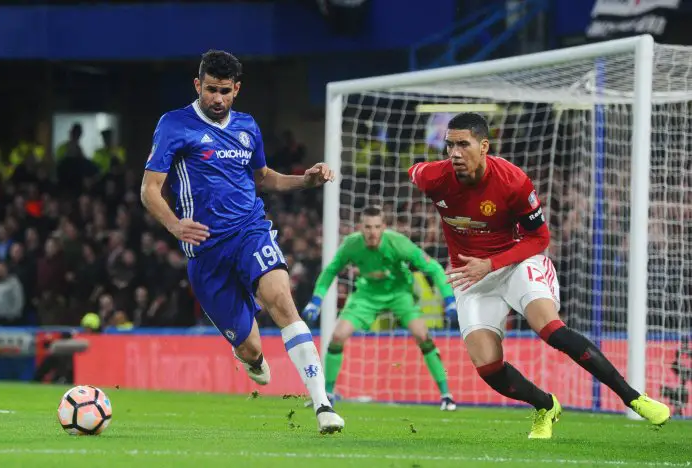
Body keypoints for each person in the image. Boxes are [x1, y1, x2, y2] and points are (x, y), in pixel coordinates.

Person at [408, 112, 670, 439]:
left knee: (551, 330)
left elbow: (540, 238)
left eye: (464, 144)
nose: (454, 153)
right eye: (449, 145)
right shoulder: (433, 177)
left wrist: (490, 264)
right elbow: (414, 171)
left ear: (484, 145)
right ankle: (545, 405)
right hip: (471, 278)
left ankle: (633, 397)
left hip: (517, 262)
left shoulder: (512, 181)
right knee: (488, 367)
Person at [140, 49, 344, 434]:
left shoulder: (248, 126)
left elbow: (263, 177)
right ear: (198, 85)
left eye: (225, 91)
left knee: (283, 303)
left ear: (237, 90)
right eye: (211, 90)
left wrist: (305, 180)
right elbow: (150, 189)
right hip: (205, 251)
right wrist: (174, 225)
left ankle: (322, 403)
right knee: (250, 347)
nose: (217, 98)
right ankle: (251, 359)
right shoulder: (174, 125)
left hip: (250, 230)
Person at [303, 205, 459, 410]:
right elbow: (330, 271)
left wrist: (449, 300)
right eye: (367, 227)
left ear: (384, 226)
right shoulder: (351, 244)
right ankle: (329, 393)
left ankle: (446, 395)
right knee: (338, 335)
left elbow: (434, 268)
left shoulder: (399, 243)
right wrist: (316, 300)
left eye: (377, 227)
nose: (372, 232)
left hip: (399, 294)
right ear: (360, 227)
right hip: (367, 294)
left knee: (423, 335)